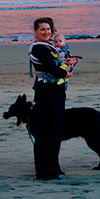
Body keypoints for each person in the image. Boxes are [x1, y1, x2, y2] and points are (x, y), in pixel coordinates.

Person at [28, 17, 73, 180]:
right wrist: (66, 73)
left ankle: (55, 168)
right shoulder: (39, 48)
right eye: (42, 29)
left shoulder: (52, 45)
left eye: (48, 29)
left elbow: (66, 59)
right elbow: (52, 69)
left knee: (56, 131)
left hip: (57, 91)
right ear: (35, 31)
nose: (46, 32)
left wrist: (73, 61)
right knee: (46, 132)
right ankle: (44, 172)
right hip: (46, 92)